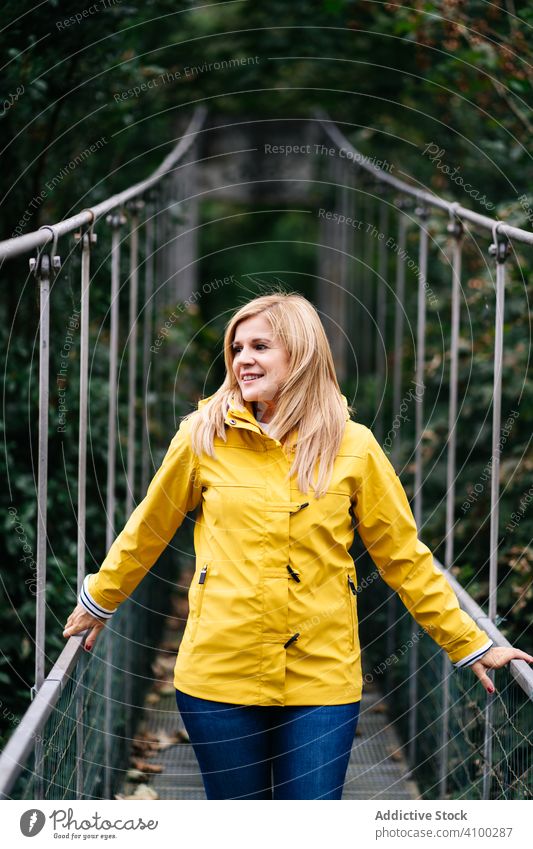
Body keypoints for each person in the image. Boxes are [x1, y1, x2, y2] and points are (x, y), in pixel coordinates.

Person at [63, 292, 533, 800]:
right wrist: (99, 601)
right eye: (237, 348)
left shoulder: (355, 447)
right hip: (219, 671)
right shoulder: (202, 436)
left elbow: (405, 559)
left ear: (301, 352)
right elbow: (148, 528)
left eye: (260, 346)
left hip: (321, 678)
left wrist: (470, 645)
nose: (243, 359)